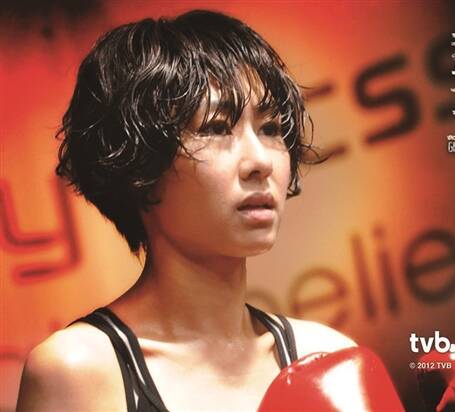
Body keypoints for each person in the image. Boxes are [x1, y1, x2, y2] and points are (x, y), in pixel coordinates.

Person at [15, 9, 374, 411]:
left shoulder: (329, 358)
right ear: (139, 164)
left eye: (271, 128)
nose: (260, 161)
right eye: (216, 128)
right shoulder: (79, 371)